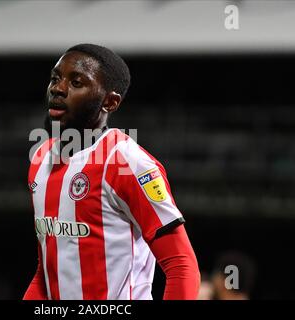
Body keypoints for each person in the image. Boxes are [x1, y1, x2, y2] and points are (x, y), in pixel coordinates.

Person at [24, 44, 200, 300]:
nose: (58, 88)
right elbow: (47, 273)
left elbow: (182, 266)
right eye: (55, 78)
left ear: (110, 101)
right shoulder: (40, 159)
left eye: (76, 82)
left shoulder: (128, 164)